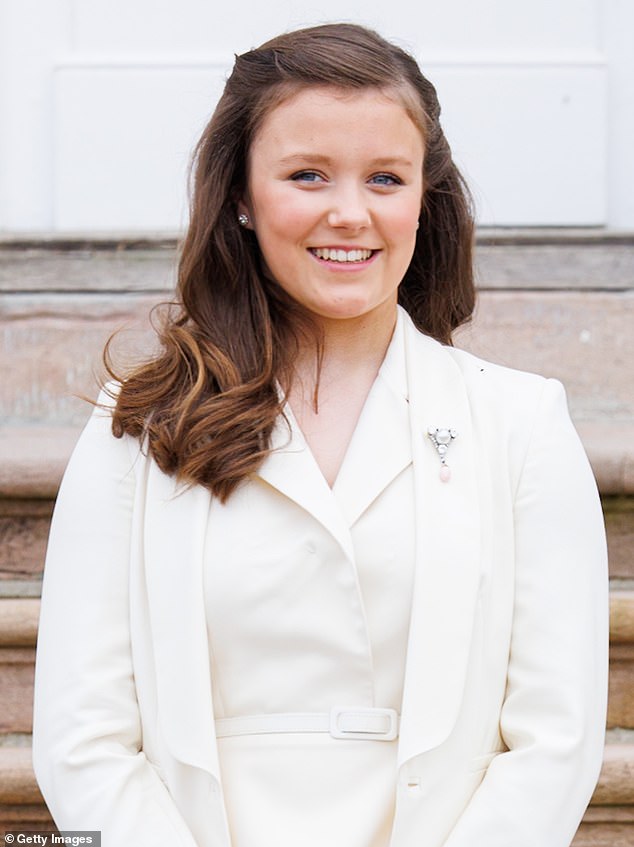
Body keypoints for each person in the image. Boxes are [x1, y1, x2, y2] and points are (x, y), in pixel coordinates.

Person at [32, 22, 609, 847]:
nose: (351, 213)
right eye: (307, 174)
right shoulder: (138, 424)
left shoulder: (519, 424)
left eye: (385, 177)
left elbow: (555, 739)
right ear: (240, 194)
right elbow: (82, 736)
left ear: (423, 198)